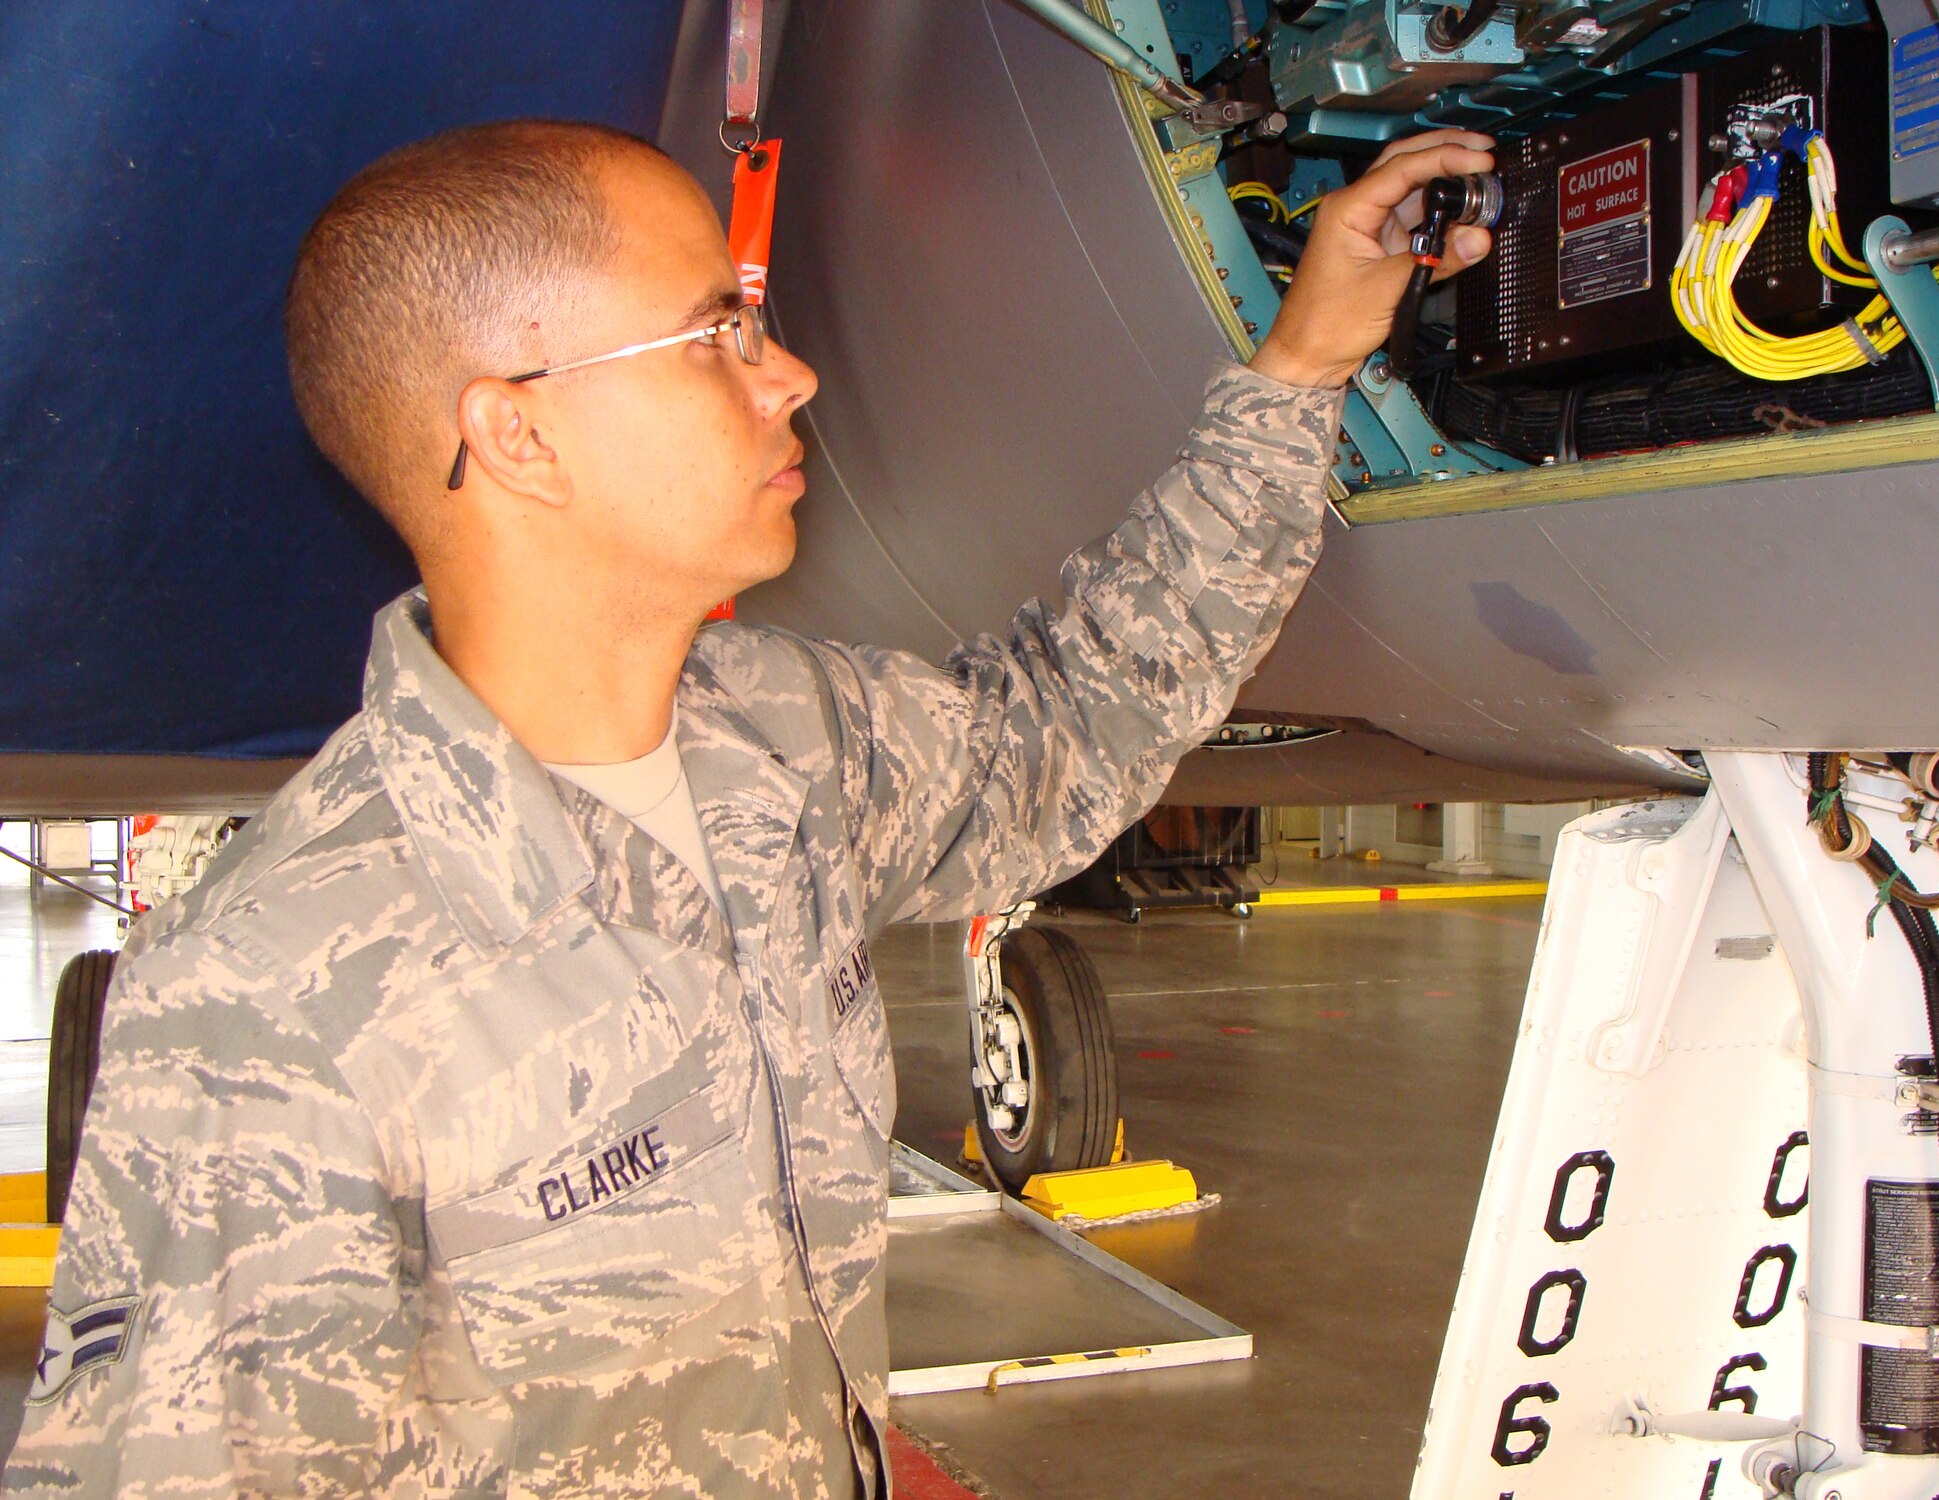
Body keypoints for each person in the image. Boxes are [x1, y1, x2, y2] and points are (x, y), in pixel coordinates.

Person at [4, 118, 1492, 1498]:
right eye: (718, 334)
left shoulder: (784, 743)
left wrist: (1303, 365)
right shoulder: (272, 996)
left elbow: (1072, 716)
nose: (787, 375)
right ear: (516, 435)